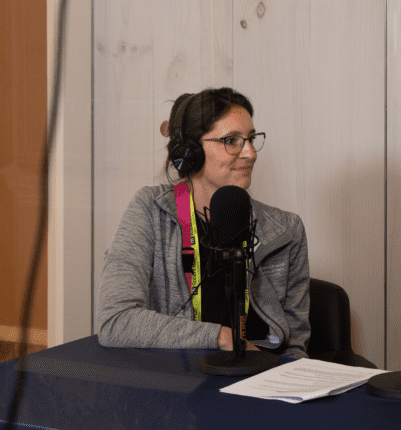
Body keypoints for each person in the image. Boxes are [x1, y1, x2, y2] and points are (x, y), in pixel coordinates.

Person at [97, 87, 310, 358]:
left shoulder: (287, 230)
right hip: (176, 384)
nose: (251, 153)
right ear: (191, 151)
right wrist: (223, 337)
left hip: (259, 384)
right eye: (232, 140)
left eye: (252, 139)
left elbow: (294, 348)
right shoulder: (150, 210)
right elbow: (115, 321)